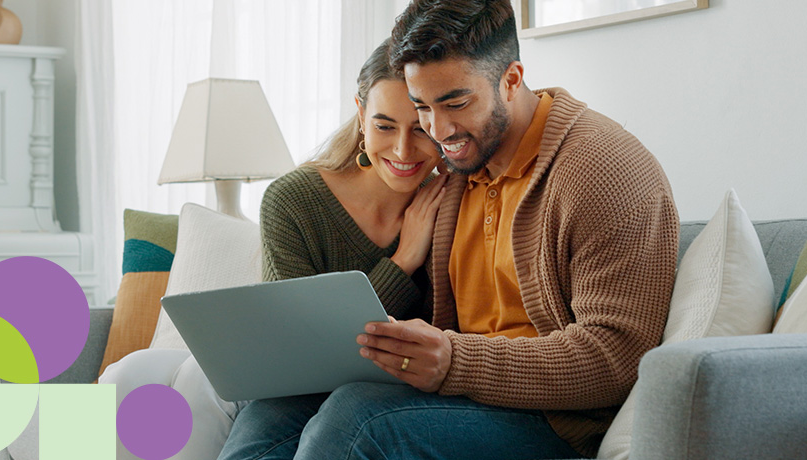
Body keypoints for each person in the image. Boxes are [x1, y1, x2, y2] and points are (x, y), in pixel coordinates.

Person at [222, 1, 680, 459]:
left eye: (455, 103)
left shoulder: (602, 170)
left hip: (555, 423)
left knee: (360, 417)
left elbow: (616, 357)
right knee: (272, 413)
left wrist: (457, 361)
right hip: (461, 397)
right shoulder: (458, 168)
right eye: (422, 106)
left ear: (512, 80)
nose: (437, 130)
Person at [217, 41, 449, 459]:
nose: (401, 150)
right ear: (361, 115)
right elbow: (301, 350)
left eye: (419, 129)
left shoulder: (453, 204)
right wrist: (403, 261)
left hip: (399, 391)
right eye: (383, 126)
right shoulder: (293, 201)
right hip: (301, 387)